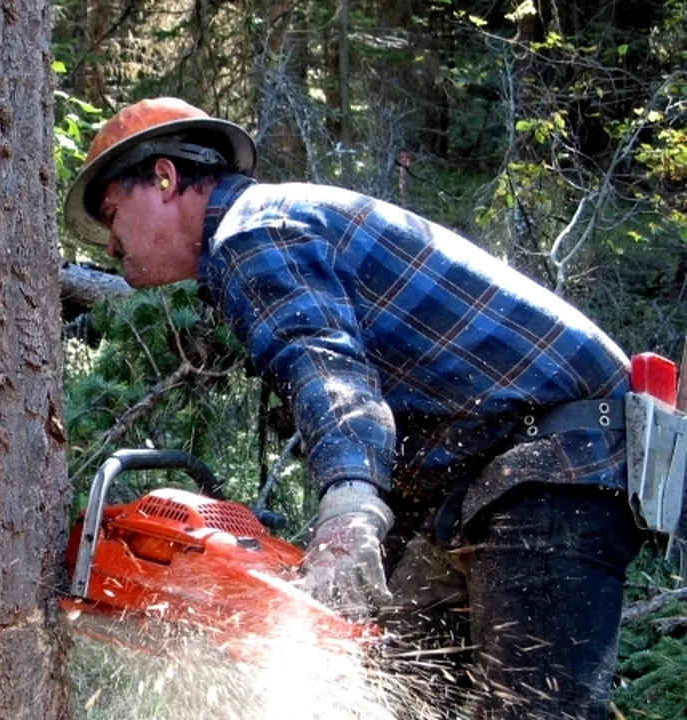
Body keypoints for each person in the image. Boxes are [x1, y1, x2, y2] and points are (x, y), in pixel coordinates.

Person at [63, 97, 645, 719]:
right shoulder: (274, 228)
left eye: (111, 213)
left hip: (554, 460)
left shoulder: (252, 232)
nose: (111, 243)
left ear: (163, 177)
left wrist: (349, 509)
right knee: (395, 673)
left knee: (535, 710)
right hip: (487, 478)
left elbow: (325, 364)